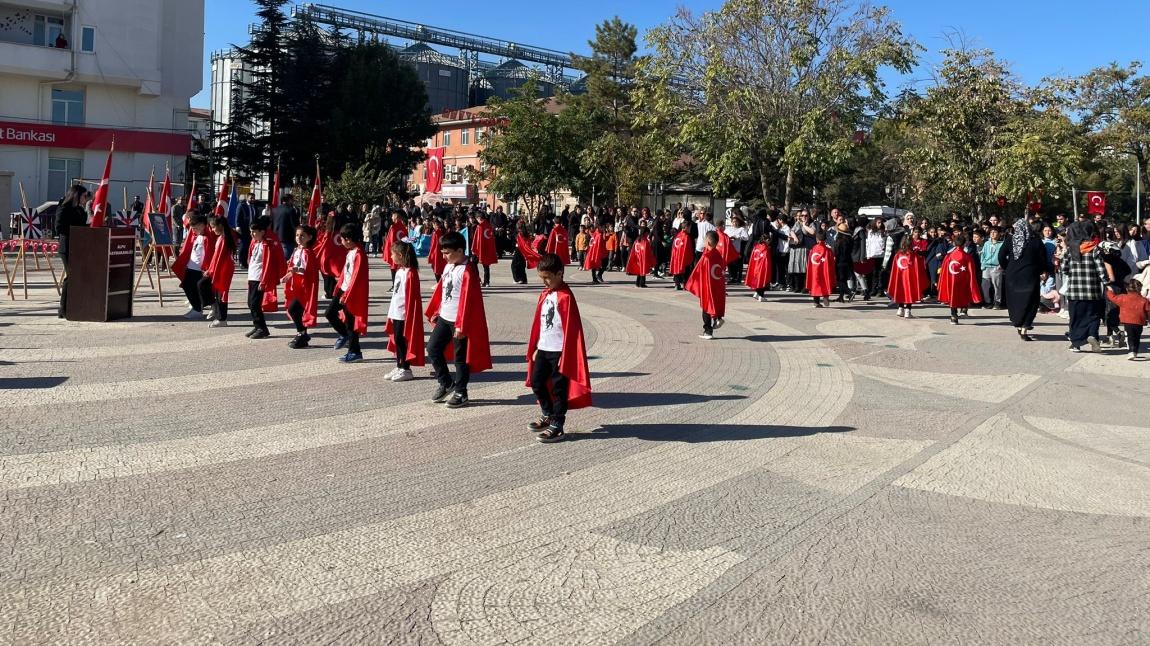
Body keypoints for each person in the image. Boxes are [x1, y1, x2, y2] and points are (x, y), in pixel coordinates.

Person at [526, 253, 592, 444]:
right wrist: (537, 345)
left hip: (560, 352)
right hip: (544, 348)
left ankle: (557, 425)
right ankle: (547, 413)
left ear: (560, 273)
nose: (545, 282)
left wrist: (566, 354)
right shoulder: (545, 294)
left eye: (547, 277)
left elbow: (571, 329)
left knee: (559, 390)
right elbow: (540, 323)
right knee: (537, 382)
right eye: (542, 278)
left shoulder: (566, 297)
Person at [425, 232, 493, 408]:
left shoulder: (468, 270)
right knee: (433, 348)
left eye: (447, 252)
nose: (443, 256)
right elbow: (443, 289)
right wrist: (437, 309)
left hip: (459, 321)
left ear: (460, 250)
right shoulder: (449, 266)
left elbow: (468, 300)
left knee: (460, 359)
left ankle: (462, 392)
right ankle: (446, 382)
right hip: (445, 317)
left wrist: (461, 325)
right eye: (443, 252)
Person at [999, 219, 1051, 341]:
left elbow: (1001, 255)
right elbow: (1042, 258)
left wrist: (1007, 266)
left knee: (1014, 301)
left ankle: (1018, 322)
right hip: (1030, 276)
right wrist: (1041, 270)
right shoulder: (1036, 241)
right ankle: (1025, 327)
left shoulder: (1010, 240)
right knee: (1030, 301)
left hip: (1012, 276)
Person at [1061, 222, 1109, 352]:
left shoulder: (1070, 250)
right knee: (1093, 315)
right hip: (1092, 291)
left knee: (1075, 317)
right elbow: (1101, 270)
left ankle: (1076, 344)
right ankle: (1092, 335)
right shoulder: (1094, 249)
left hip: (1074, 292)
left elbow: (1064, 269)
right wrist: (1107, 283)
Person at [384, 240, 425, 382]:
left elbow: (411, 298)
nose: (390, 257)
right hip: (396, 311)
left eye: (392, 254)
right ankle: (399, 365)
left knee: (402, 341)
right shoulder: (400, 271)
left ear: (400, 255)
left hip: (403, 314)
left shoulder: (411, 273)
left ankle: (406, 369)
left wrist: (409, 315)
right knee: (397, 340)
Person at [328, 224, 369, 362]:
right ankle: (344, 335)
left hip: (351, 293)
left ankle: (355, 352)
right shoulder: (351, 252)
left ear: (349, 239)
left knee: (351, 323)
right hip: (344, 289)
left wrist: (346, 295)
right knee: (330, 313)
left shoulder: (359, 253)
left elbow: (356, 276)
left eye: (342, 239)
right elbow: (346, 273)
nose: (341, 242)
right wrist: (338, 288)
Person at [245, 218, 285, 340]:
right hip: (252, 276)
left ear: (262, 231)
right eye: (251, 231)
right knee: (250, 303)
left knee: (255, 304)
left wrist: (264, 281)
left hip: (259, 277)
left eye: (254, 231)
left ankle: (262, 328)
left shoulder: (266, 244)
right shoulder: (255, 243)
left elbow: (268, 264)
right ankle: (258, 326)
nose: (252, 234)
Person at [54, 185, 90, 318]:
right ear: (76, 195)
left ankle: (74, 306)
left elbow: (82, 226)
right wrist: (75, 230)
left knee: (77, 277)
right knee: (71, 277)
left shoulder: (80, 210)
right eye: (84, 196)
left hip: (78, 247)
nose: (86, 199)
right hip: (67, 246)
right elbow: (59, 227)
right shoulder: (64, 207)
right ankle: (63, 309)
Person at [283, 225, 319, 349]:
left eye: (302, 235)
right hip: (296, 286)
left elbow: (307, 270)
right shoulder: (297, 250)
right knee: (295, 310)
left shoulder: (309, 253)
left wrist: (293, 270)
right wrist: (288, 274)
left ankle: (302, 333)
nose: (299, 238)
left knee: (294, 309)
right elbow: (293, 265)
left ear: (309, 237)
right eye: (297, 235)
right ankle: (302, 334)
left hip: (305, 288)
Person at [172, 214, 214, 319]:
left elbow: (209, 254)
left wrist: (206, 268)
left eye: (195, 228)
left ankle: (199, 309)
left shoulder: (207, 237)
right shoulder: (198, 236)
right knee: (187, 286)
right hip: (191, 266)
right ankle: (196, 307)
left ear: (202, 225)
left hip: (199, 269)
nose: (193, 231)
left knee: (193, 287)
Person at [686, 230, 726, 340]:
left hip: (707, 287)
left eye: (704, 239)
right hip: (717, 285)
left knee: (706, 307)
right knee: (715, 303)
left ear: (707, 241)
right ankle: (718, 318)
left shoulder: (706, 257)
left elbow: (698, 272)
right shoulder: (718, 255)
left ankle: (708, 331)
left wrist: (692, 283)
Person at [201, 217, 237, 328]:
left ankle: (222, 318)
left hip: (223, 268)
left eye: (213, 227)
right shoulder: (222, 237)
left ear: (220, 225)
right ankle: (217, 311)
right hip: (222, 267)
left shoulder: (224, 239)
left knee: (221, 293)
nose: (212, 230)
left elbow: (219, 258)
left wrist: (211, 271)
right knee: (217, 292)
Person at [938, 234, 982, 325]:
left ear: (954, 243)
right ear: (964, 244)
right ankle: (963, 310)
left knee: (952, 297)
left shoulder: (949, 256)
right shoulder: (967, 256)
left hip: (951, 280)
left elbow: (944, 270)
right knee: (963, 296)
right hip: (963, 280)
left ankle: (953, 316)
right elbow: (971, 271)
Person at [1106, 278, 1150, 359]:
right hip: (1139, 322)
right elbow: (1148, 310)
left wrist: (1109, 290)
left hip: (1127, 321)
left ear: (1127, 289)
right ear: (1140, 289)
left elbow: (1113, 298)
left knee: (1130, 337)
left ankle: (1131, 352)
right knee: (1137, 337)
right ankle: (1135, 351)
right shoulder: (1144, 300)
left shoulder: (1123, 297)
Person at [887, 236, 927, 318]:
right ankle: (908, 310)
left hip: (900, 278)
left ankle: (900, 309)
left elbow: (894, 269)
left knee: (901, 292)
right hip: (910, 278)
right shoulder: (913, 255)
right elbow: (918, 268)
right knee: (909, 293)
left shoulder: (898, 255)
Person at [806, 230, 836, 308]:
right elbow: (831, 262)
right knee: (825, 282)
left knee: (815, 284)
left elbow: (809, 261)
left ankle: (816, 302)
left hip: (815, 270)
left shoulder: (813, 249)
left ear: (817, 239)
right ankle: (825, 296)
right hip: (824, 270)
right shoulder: (828, 250)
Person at [980, 227, 1005, 308]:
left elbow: (1005, 256)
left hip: (996, 267)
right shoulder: (986, 243)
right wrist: (983, 264)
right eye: (991, 232)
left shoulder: (1002, 244)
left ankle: (997, 302)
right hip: (986, 267)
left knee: (997, 286)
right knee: (985, 285)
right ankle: (987, 302)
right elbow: (982, 254)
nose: (992, 234)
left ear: (999, 234)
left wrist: (1001, 265)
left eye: (995, 232)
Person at [744, 234, 773, 302]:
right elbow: (766, 260)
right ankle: (761, 296)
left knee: (758, 281)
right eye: (769, 240)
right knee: (763, 281)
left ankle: (757, 293)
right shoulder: (765, 248)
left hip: (755, 267)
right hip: (762, 268)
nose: (769, 242)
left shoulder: (756, 246)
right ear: (766, 240)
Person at [473, 212, 499, 287]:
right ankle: (487, 282)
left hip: (481, 248)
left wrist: (475, 248)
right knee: (486, 266)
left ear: (479, 218)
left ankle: (478, 280)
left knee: (474, 263)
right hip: (488, 248)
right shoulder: (489, 226)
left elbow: (477, 239)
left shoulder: (480, 226)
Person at [272, 194, 300, 259]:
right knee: (287, 258)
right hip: (287, 239)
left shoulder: (275, 209)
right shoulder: (291, 210)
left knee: (277, 257)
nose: (293, 202)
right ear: (289, 200)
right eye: (292, 200)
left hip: (276, 237)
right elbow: (295, 225)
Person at [669, 221, 693, 291]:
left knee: (677, 270)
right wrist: (690, 258)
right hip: (684, 257)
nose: (690, 229)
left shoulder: (677, 236)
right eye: (689, 228)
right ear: (686, 228)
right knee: (686, 271)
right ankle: (685, 285)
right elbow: (688, 249)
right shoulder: (686, 237)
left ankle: (677, 284)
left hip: (676, 256)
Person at [236, 194, 256, 269]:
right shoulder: (242, 205)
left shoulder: (254, 206)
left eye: (253, 198)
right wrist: (237, 226)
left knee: (249, 245)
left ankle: (246, 262)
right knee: (243, 245)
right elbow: (237, 216)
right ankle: (241, 262)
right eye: (251, 198)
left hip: (252, 229)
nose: (253, 200)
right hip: (243, 228)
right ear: (247, 198)